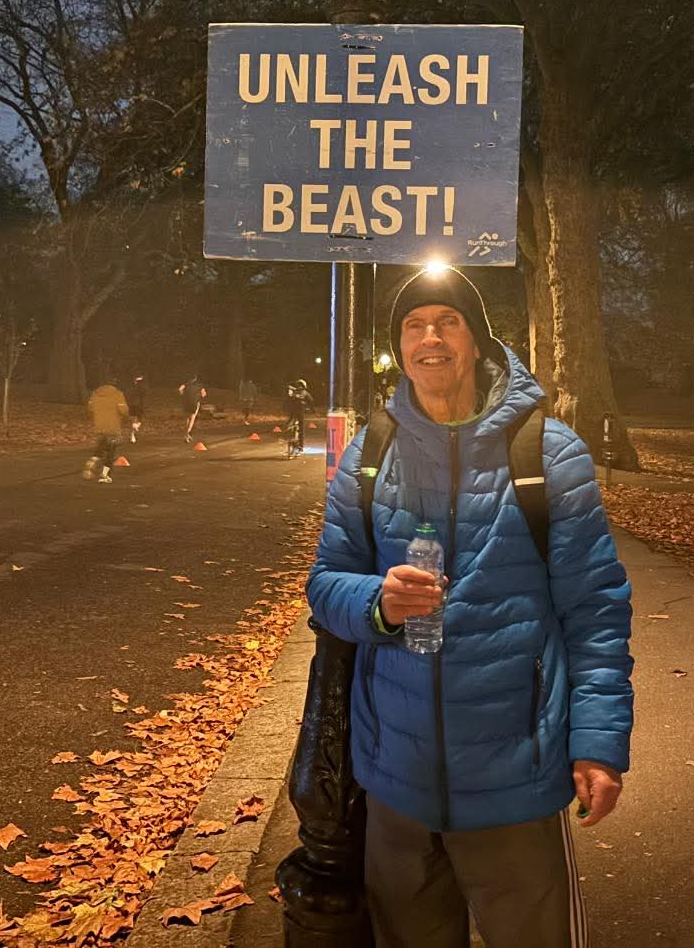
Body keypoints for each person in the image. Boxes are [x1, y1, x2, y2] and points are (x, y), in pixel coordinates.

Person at [307, 266, 634, 948]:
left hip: (514, 776)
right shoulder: (371, 451)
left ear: (477, 342)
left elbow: (595, 610)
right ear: (398, 349)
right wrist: (377, 602)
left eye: (446, 322)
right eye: (413, 326)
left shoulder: (547, 452)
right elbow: (325, 582)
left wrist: (597, 745)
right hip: (394, 781)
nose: (429, 338)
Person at [84, 377, 129, 483]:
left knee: (100, 447)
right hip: (113, 427)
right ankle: (104, 475)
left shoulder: (95, 394)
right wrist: (125, 417)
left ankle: (93, 460)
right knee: (111, 452)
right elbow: (123, 410)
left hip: (99, 426)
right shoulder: (117, 394)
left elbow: (90, 408)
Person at [284, 378, 313, 456]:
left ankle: (298, 445)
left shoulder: (293, 392)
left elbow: (287, 401)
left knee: (291, 426)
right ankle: (300, 446)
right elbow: (311, 401)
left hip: (293, 412)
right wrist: (311, 409)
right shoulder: (304, 393)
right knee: (300, 429)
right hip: (297, 412)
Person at [178, 374, 207, 443]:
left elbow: (180, 389)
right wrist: (199, 396)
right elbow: (204, 394)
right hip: (194, 403)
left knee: (187, 418)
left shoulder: (186, 384)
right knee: (192, 419)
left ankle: (186, 433)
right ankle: (187, 434)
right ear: (195, 378)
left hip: (186, 402)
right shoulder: (200, 385)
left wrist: (182, 394)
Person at [128, 374, 146, 443]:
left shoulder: (131, 388)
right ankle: (134, 432)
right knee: (139, 419)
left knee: (134, 419)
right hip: (138, 405)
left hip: (132, 405)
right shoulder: (141, 388)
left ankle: (133, 432)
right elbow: (143, 394)